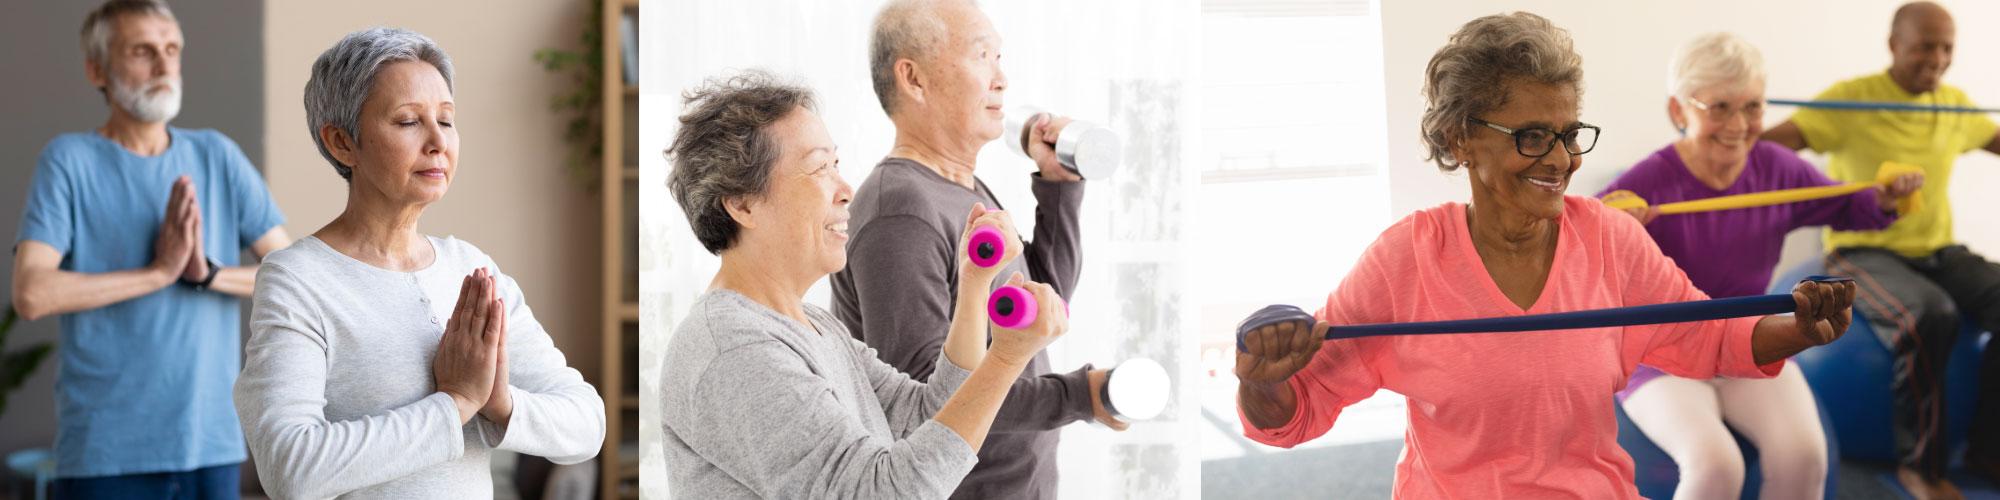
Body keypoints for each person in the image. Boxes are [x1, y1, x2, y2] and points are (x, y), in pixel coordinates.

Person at [1233, 13, 1856, 498]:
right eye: (1532, 137)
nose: (1560, 160)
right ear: (1461, 138)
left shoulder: (1610, 239)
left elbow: (1711, 337)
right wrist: (1261, 384)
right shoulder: (1407, 259)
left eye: (1568, 134)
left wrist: (1800, 329)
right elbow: (1297, 411)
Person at [658, 71, 1071, 499]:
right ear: (743, 204)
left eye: (836, 164)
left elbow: (925, 415)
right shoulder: (734, 349)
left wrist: (973, 286)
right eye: (819, 168)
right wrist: (1005, 359)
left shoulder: (814, 326)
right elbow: (880, 493)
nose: (845, 190)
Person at [233, 28, 603, 499]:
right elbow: (291, 467)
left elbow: (587, 424)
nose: (437, 143)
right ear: (342, 142)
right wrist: (455, 404)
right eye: (408, 121)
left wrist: (500, 403)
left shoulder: (471, 269)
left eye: (446, 121)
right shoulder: (298, 278)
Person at [1601, 31, 1919, 500]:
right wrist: (1612, 228)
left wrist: (1889, 196)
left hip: (1750, 340)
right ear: (1678, 111)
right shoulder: (1645, 184)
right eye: (1720, 107)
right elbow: (1578, 246)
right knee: (1715, 465)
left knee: (1806, 454)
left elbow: (1849, 204)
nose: (1739, 124)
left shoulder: (1776, 167)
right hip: (1663, 357)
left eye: (1752, 107)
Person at [830, 1, 1122, 496]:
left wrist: (1060, 184)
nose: (1002, 79)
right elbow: (926, 399)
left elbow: (1043, 298)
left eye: (999, 57)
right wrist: (1078, 396)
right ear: (914, 79)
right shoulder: (899, 211)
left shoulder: (959, 188)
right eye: (982, 55)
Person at [11, 1, 290, 497]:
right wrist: (158, 272)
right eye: (143, 51)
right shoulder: (68, 161)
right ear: (97, 69)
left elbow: (293, 275)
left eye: (171, 50)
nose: (164, 66)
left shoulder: (217, 155)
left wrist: (204, 273)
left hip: (211, 445)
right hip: (104, 454)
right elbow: (32, 293)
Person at [1761, 2, 2000, 497]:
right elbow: (1768, 150)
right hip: (1862, 248)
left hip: (1937, 250)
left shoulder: (1953, 105)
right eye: (1924, 47)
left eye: (1946, 48)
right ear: (1894, 45)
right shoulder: (1853, 100)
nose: (1936, 58)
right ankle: (1922, 468)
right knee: (1928, 316)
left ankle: (1987, 450)